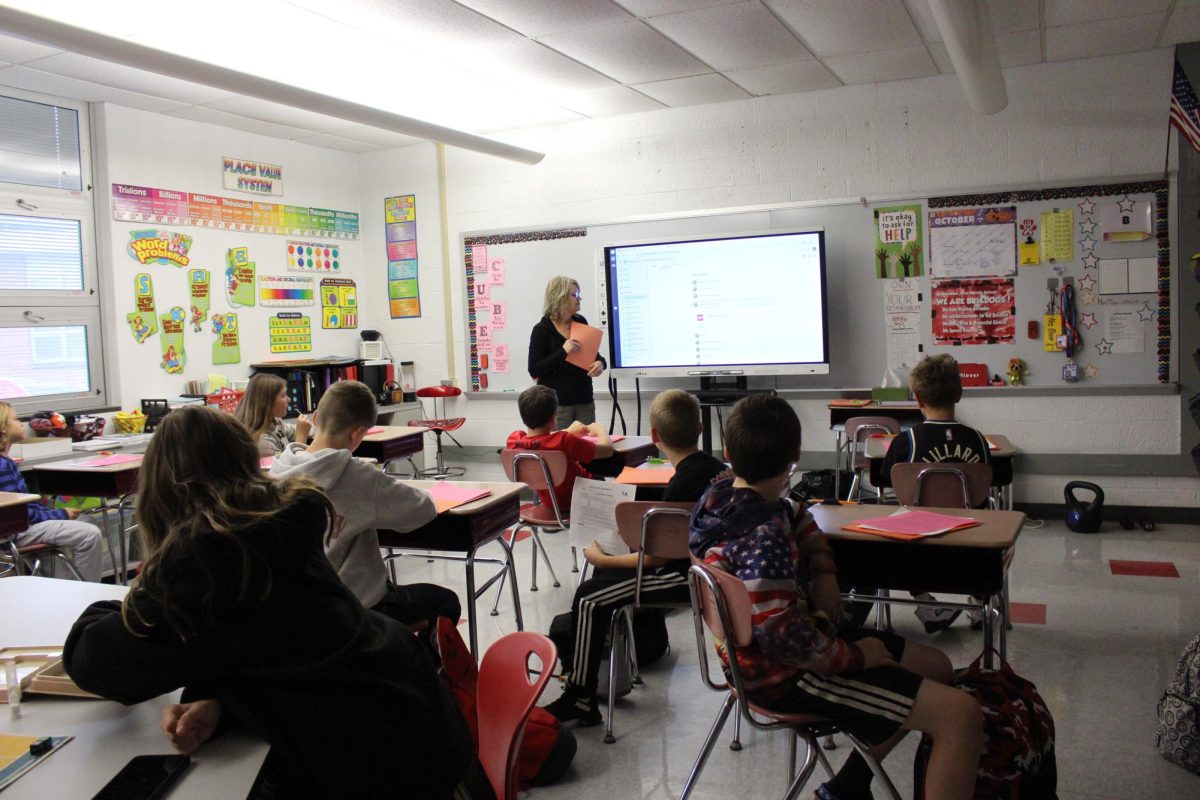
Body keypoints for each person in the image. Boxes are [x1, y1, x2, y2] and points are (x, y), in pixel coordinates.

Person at [62, 406, 471, 799]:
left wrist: (130, 595)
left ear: (160, 490)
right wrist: (227, 704)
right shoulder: (281, 526)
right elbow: (283, 650)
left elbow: (95, 662)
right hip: (410, 715)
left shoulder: (207, 559)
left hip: (371, 764)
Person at [689, 395, 982, 800]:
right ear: (796, 454)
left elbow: (795, 511)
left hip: (761, 658)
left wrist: (823, 568)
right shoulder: (763, 536)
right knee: (960, 716)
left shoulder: (718, 497)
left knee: (936, 665)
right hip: (786, 675)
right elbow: (782, 637)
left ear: (727, 454)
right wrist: (856, 655)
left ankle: (848, 786)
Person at [544, 389, 725, 725]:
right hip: (712, 570)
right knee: (607, 572)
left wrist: (602, 559)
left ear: (655, 436)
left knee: (589, 597)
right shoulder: (715, 469)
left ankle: (580, 698)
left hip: (686, 578)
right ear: (700, 429)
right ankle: (601, 670)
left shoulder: (681, 486)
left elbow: (655, 561)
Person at [269, 380, 460, 637]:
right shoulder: (358, 476)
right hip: (357, 606)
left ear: (316, 417)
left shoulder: (279, 468)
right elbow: (423, 509)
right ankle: (418, 669)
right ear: (358, 432)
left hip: (298, 608)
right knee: (446, 601)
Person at [878, 353, 992, 632]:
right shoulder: (978, 440)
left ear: (917, 398)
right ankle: (979, 605)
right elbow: (991, 482)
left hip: (915, 550)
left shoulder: (907, 441)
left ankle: (928, 603)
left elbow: (884, 481)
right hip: (973, 549)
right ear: (959, 394)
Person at [0, 401, 104, 581]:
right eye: (16, 420)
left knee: (84, 520)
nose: (21, 423)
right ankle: (87, 596)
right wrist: (61, 513)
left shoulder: (6, 462)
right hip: (17, 531)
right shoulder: (2, 466)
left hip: (24, 527)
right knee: (89, 534)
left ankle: (60, 586)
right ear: (3, 429)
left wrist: (55, 514)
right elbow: (18, 515)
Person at [506, 384, 612, 515]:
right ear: (554, 417)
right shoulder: (565, 440)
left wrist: (567, 430)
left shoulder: (514, 441)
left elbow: (539, 440)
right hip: (581, 499)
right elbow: (607, 450)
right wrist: (601, 430)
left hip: (548, 504)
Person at [527, 276, 605, 430]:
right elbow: (534, 369)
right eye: (574, 295)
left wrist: (601, 363)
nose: (579, 298)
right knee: (561, 450)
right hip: (557, 406)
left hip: (584, 402)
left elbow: (594, 354)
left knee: (587, 449)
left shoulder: (580, 321)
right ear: (560, 297)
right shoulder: (542, 330)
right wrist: (563, 351)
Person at [235, 372, 312, 455]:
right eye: (283, 395)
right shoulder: (263, 442)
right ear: (266, 402)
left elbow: (293, 430)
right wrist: (301, 438)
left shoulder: (274, 422)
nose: (289, 399)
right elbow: (295, 466)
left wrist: (321, 429)